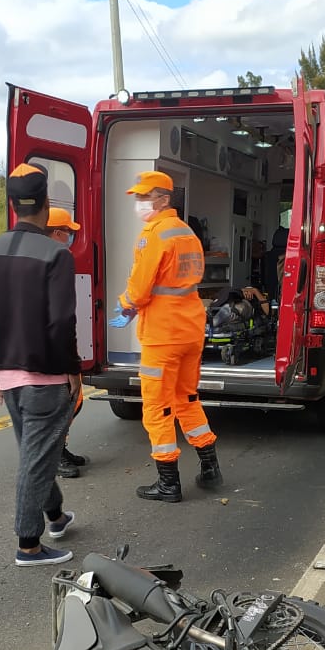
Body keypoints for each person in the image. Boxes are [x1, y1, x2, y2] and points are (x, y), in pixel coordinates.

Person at [0, 164, 82, 566]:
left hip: (8, 375)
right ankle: (28, 545)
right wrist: (72, 370)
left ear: (13, 204)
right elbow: (61, 321)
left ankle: (55, 515)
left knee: (37, 451)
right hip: (44, 376)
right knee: (36, 458)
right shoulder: (56, 254)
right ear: (46, 204)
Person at [112, 170, 223, 502]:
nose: (140, 203)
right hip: (190, 329)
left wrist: (125, 305)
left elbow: (141, 285)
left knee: (156, 406)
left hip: (163, 334)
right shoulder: (186, 232)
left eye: (144, 197)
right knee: (186, 399)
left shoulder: (154, 234)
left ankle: (168, 482)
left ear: (162, 199)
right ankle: (210, 468)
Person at [46, 206, 89, 480]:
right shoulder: (52, 261)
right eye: (69, 233)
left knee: (73, 401)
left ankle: (61, 447)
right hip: (51, 349)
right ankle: (54, 456)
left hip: (56, 346)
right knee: (60, 403)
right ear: (58, 233)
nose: (71, 238)